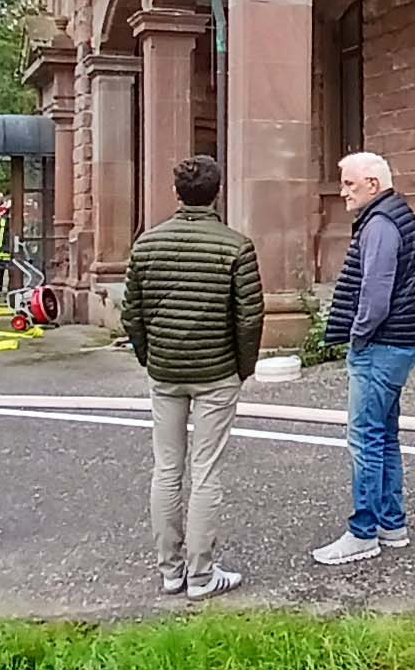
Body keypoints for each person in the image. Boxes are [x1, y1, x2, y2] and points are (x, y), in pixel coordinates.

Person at [119, 155, 266, 601]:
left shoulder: (146, 244)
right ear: (217, 192)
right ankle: (201, 574)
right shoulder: (236, 246)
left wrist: (150, 357)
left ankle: (169, 570)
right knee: (205, 471)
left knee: (166, 468)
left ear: (176, 192)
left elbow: (132, 314)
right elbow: (249, 318)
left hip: (165, 370)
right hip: (217, 370)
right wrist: (244, 366)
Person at [312, 152, 415, 567]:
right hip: (403, 341)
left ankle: (363, 531)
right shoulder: (395, 216)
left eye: (349, 184)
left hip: (383, 344)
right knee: (384, 435)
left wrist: (357, 336)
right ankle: (391, 524)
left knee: (364, 438)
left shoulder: (380, 225)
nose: (342, 191)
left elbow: (375, 296)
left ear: (373, 186)